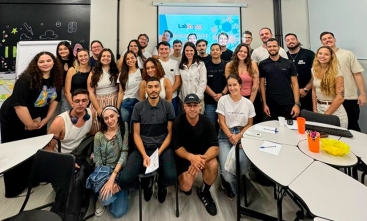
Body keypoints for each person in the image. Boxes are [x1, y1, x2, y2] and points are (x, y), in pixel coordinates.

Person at [0, 51, 63, 198]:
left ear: (54, 62)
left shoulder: (56, 78)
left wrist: (46, 119)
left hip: (36, 118)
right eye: (41, 61)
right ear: (36, 63)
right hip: (14, 118)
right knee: (16, 151)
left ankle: (33, 180)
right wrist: (29, 124)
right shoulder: (26, 79)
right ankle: (14, 189)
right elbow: (19, 106)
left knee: (35, 148)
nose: (45, 63)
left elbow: (55, 99)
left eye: (49, 60)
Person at [119, 77, 177, 204]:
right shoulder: (138, 107)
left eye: (156, 86)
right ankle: (148, 183)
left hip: (162, 147)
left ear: (160, 88)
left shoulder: (168, 106)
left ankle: (161, 184)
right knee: (124, 180)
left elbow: (170, 133)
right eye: (150, 87)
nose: (153, 90)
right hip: (142, 148)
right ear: (145, 89)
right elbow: (136, 134)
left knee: (172, 177)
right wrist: (145, 154)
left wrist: (158, 153)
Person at [172, 93, 219, 216]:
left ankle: (204, 191)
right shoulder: (178, 122)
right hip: (186, 158)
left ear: (200, 107)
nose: (192, 108)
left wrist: (200, 160)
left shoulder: (208, 122)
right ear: (184, 107)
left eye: (195, 105)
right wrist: (192, 158)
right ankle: (184, 179)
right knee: (186, 187)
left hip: (202, 158)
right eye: (189, 105)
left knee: (213, 164)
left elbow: (215, 147)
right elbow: (177, 148)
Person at [216, 74, 255, 200]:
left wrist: (239, 135)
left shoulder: (248, 103)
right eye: (230, 85)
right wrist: (231, 137)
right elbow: (221, 122)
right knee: (227, 173)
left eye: (235, 85)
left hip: (242, 135)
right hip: (225, 136)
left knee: (242, 167)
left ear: (240, 86)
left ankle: (234, 181)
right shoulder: (223, 100)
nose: (232, 88)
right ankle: (228, 181)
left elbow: (250, 124)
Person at [320, 31, 366, 131]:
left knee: (352, 127)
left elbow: (357, 74)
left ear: (334, 39)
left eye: (329, 38)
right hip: (331, 100)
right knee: (333, 128)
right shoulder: (321, 57)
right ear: (322, 43)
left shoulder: (347, 54)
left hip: (348, 98)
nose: (327, 40)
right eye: (324, 39)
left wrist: (362, 94)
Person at [90, 105, 129, 218]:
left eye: (112, 116)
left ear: (117, 115)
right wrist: (107, 180)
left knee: (118, 212)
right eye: (106, 118)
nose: (110, 120)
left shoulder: (124, 127)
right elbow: (98, 162)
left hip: (119, 171)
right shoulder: (98, 136)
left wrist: (113, 179)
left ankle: (119, 190)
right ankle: (101, 198)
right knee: (106, 199)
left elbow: (124, 152)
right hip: (104, 172)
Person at [259, 38, 300, 120]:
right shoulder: (263, 64)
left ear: (279, 47)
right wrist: (264, 104)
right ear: (267, 48)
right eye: (269, 46)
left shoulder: (289, 63)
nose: (272, 48)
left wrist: (297, 104)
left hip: (288, 102)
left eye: (274, 46)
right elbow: (262, 85)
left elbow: (295, 84)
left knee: (289, 128)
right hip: (271, 103)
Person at [46, 89, 95, 153]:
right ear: (72, 103)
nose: (80, 104)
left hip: (80, 154)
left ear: (88, 102)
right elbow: (48, 149)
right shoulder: (59, 121)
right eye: (77, 101)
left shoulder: (91, 113)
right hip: (63, 157)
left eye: (84, 100)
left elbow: (90, 135)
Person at [311, 46, 348, 128]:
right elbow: (314, 90)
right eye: (320, 53)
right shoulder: (314, 70)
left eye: (326, 54)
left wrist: (327, 115)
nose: (322, 56)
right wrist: (314, 109)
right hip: (319, 108)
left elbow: (340, 97)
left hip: (334, 111)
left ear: (331, 57)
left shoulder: (337, 73)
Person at [225, 43, 261, 124]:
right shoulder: (229, 65)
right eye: (240, 51)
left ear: (248, 54)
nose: (242, 53)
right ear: (236, 51)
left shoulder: (252, 64)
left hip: (252, 98)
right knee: (238, 124)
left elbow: (256, 84)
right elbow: (229, 84)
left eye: (245, 52)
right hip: (235, 99)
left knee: (253, 124)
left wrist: (249, 102)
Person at [87, 48, 119, 133]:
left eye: (108, 56)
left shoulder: (116, 70)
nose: (106, 58)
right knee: (97, 126)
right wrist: (97, 108)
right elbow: (90, 92)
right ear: (100, 58)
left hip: (113, 100)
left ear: (112, 58)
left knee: (113, 126)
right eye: (103, 56)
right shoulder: (93, 72)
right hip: (98, 101)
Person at [285, 33, 315, 112]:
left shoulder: (309, 54)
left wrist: (306, 89)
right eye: (287, 40)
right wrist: (295, 90)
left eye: (293, 39)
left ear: (297, 40)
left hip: (308, 93)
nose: (290, 41)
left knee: (309, 119)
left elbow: (316, 74)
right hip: (291, 95)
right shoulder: (284, 56)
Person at [204, 43, 227, 131]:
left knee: (225, 124)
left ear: (221, 52)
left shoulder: (227, 64)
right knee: (211, 126)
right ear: (210, 52)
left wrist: (222, 94)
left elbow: (230, 82)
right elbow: (203, 83)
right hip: (210, 101)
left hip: (225, 100)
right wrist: (214, 95)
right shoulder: (205, 65)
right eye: (213, 50)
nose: (215, 51)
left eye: (217, 50)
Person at [179, 42, 207, 113]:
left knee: (198, 121)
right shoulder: (181, 65)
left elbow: (203, 82)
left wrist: (197, 97)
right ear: (184, 52)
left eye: (191, 50)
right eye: (187, 50)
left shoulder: (200, 64)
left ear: (194, 51)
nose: (189, 52)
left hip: (198, 100)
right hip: (184, 99)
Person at [116, 50, 142, 126]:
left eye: (132, 58)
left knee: (136, 127)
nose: (130, 60)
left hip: (138, 103)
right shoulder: (122, 74)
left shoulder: (142, 72)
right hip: (125, 104)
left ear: (136, 58)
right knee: (125, 127)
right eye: (127, 59)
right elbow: (121, 92)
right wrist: (117, 108)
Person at [158, 41, 181, 115]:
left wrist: (169, 92)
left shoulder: (175, 63)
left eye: (166, 49)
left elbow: (178, 80)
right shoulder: (155, 63)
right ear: (158, 50)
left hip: (173, 97)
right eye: (161, 49)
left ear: (170, 50)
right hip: (158, 97)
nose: (164, 51)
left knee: (172, 118)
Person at [56, 41, 75, 113]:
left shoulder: (75, 61)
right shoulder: (54, 62)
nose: (63, 51)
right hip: (56, 91)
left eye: (65, 49)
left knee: (67, 113)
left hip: (70, 91)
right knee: (54, 113)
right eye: (60, 49)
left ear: (69, 49)